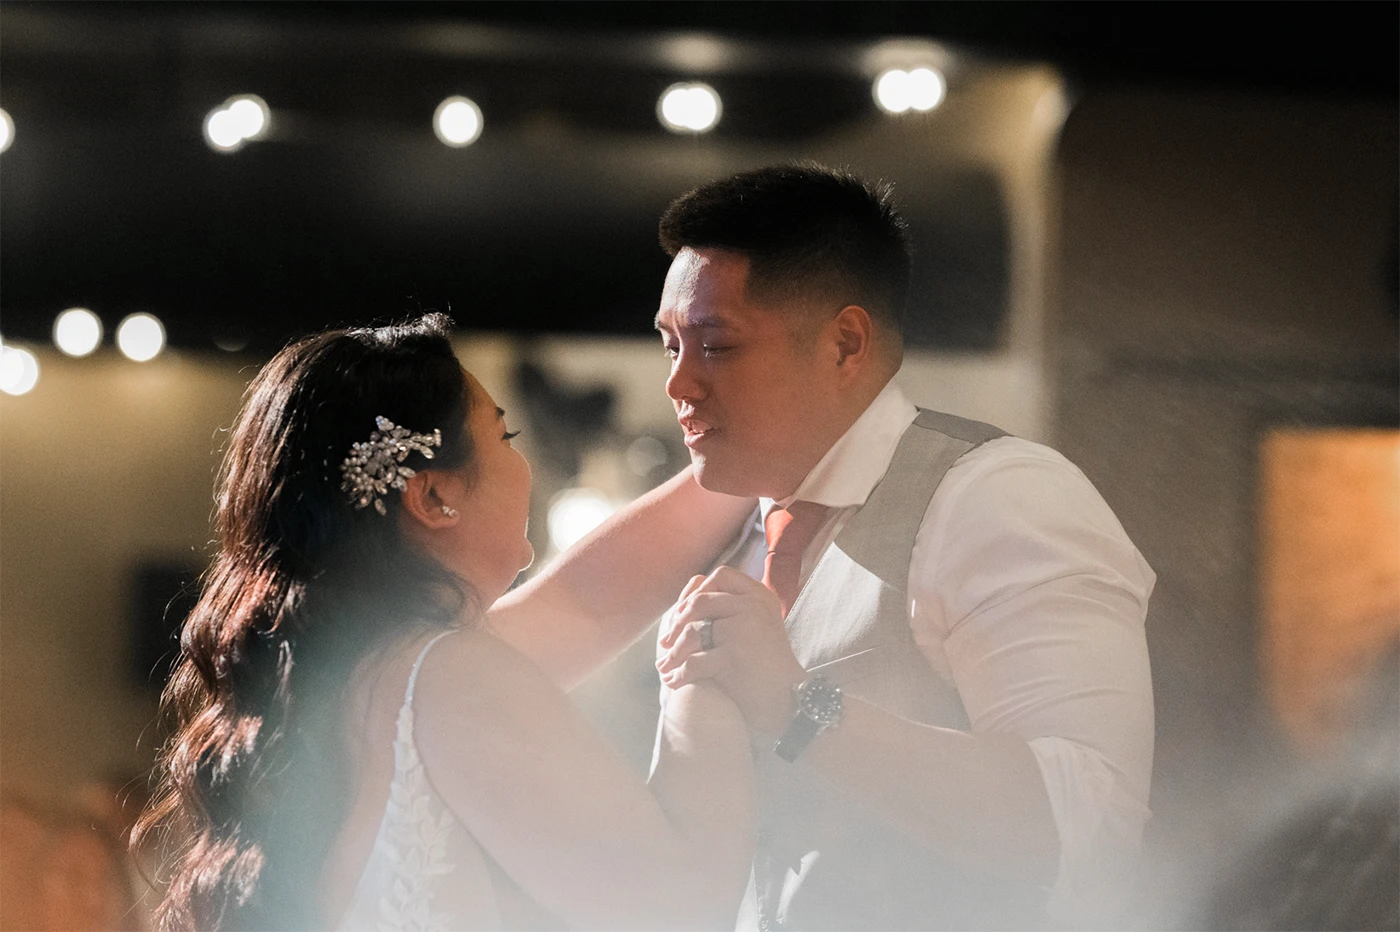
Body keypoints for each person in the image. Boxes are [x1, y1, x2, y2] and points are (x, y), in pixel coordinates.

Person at [635, 163, 1156, 930]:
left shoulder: (998, 496)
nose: (678, 385)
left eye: (715, 345)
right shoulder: (744, 524)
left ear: (846, 343)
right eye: (670, 345)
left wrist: (797, 706)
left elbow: (1088, 825)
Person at [134, 315, 759, 932]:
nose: (525, 465)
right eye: (506, 437)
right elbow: (681, 901)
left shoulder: (368, 676)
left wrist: (755, 458)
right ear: (434, 498)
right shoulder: (445, 676)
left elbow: (591, 601)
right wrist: (702, 668)